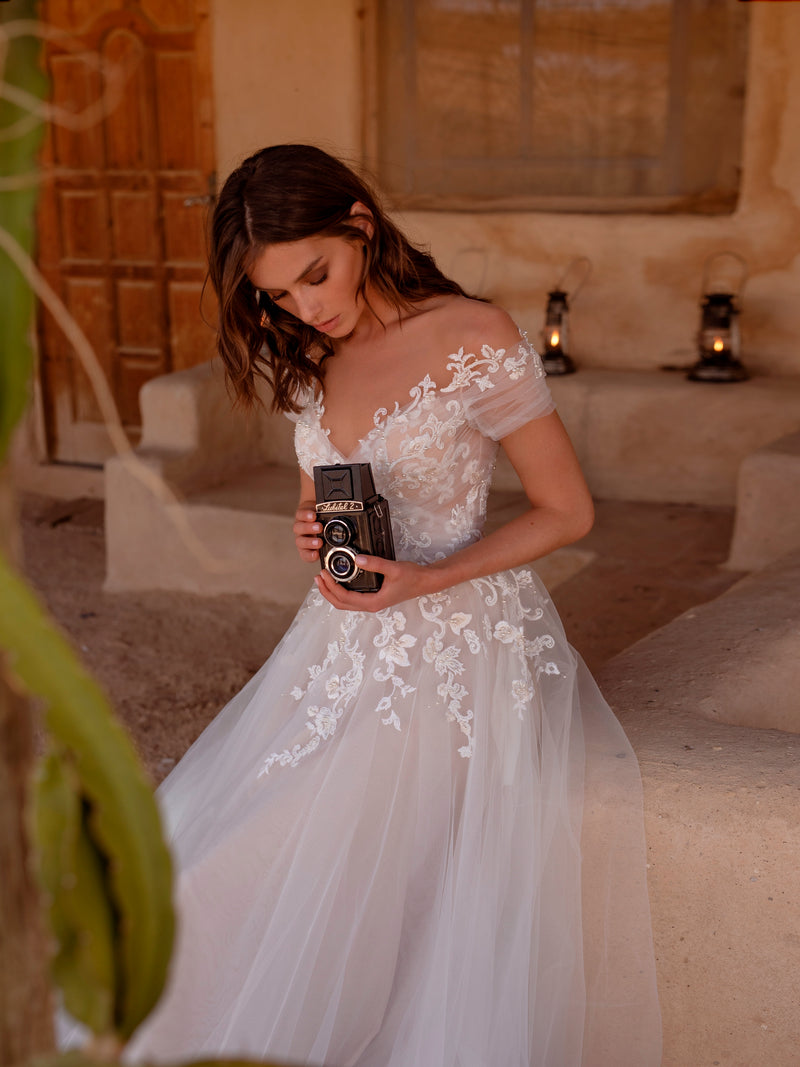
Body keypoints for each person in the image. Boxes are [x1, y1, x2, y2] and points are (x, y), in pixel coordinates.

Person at [126, 144, 662, 1066]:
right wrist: (310, 532)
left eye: (316, 274)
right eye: (282, 296)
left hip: (458, 652)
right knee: (203, 866)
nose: (309, 306)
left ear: (360, 225)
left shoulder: (472, 336)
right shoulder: (307, 357)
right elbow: (318, 493)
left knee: (294, 856)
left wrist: (425, 580)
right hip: (340, 644)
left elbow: (566, 510)